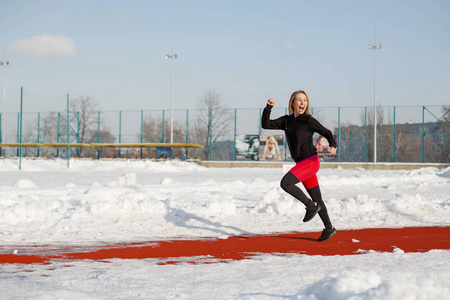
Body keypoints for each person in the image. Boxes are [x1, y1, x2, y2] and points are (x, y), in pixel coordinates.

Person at [261, 90, 337, 242]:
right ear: (293, 103)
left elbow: (326, 132)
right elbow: (266, 124)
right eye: (299, 100)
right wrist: (268, 108)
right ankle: (329, 228)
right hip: (301, 163)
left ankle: (310, 206)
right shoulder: (286, 121)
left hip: (311, 161)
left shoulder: (308, 120)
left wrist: (333, 144)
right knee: (318, 198)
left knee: (286, 183)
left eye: (305, 100)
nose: (302, 103)